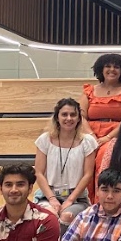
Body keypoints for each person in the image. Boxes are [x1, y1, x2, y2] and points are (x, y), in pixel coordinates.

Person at [34, 98, 98, 228]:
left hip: (76, 198)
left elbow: (88, 175)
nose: (69, 118)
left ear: (79, 118)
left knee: (66, 216)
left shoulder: (88, 141)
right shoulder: (45, 139)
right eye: (64, 114)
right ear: (57, 117)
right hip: (48, 195)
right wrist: (52, 199)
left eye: (73, 115)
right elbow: (39, 173)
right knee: (49, 216)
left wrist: (69, 200)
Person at [79, 53, 121, 145]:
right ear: (101, 69)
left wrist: (108, 138)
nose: (112, 69)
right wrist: (91, 135)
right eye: (108, 66)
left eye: (116, 67)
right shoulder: (89, 91)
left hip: (118, 135)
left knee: (105, 151)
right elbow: (80, 116)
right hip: (89, 134)